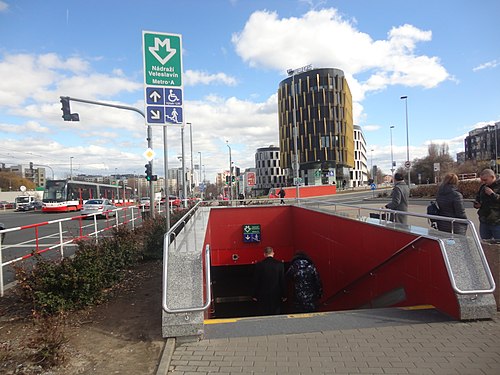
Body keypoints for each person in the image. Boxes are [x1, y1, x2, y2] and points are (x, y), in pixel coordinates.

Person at [252, 247, 286, 315]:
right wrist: (284, 295)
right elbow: (282, 281)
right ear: (273, 253)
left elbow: (256, 281)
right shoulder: (279, 265)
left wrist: (254, 295)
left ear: (264, 254)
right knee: (276, 313)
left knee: (264, 314)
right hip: (276, 293)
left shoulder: (259, 265)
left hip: (263, 294)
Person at [474, 168, 500, 240]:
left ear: (492, 177)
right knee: (485, 244)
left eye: (485, 180)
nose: (484, 182)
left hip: (497, 222)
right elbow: (478, 197)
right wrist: (477, 204)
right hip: (484, 221)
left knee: (497, 246)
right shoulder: (483, 187)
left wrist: (492, 194)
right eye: (482, 180)